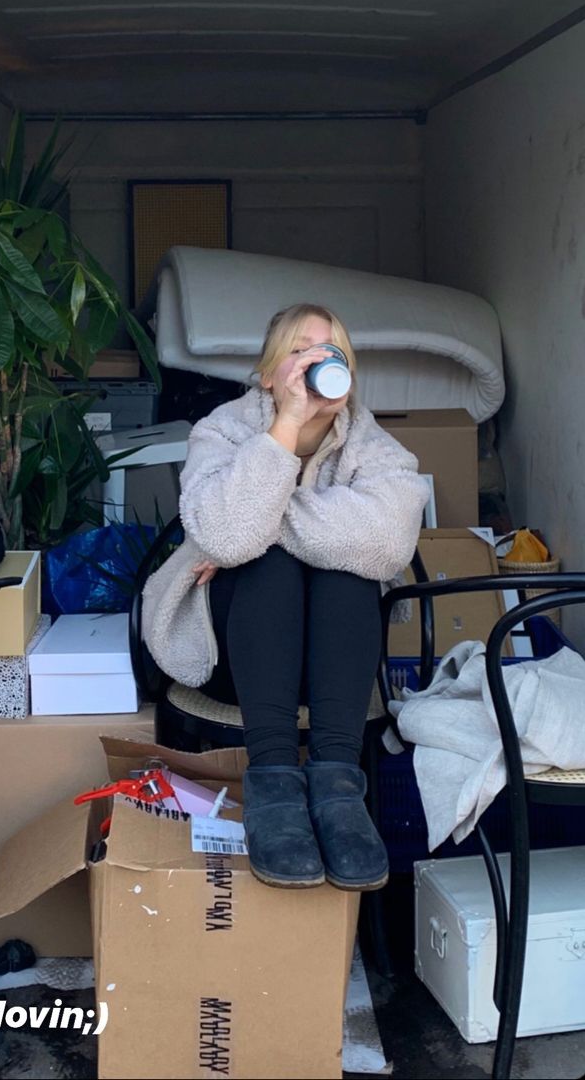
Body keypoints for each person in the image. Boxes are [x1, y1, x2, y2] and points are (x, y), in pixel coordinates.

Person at [142, 303, 428, 890]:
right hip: (233, 663)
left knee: (346, 572)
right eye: (301, 349)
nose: (317, 360)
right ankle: (272, 780)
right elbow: (226, 534)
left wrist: (260, 523)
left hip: (335, 677)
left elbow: (389, 543)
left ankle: (338, 788)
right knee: (269, 565)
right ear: (268, 374)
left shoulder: (374, 447)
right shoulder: (222, 430)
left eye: (332, 351)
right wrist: (284, 433)